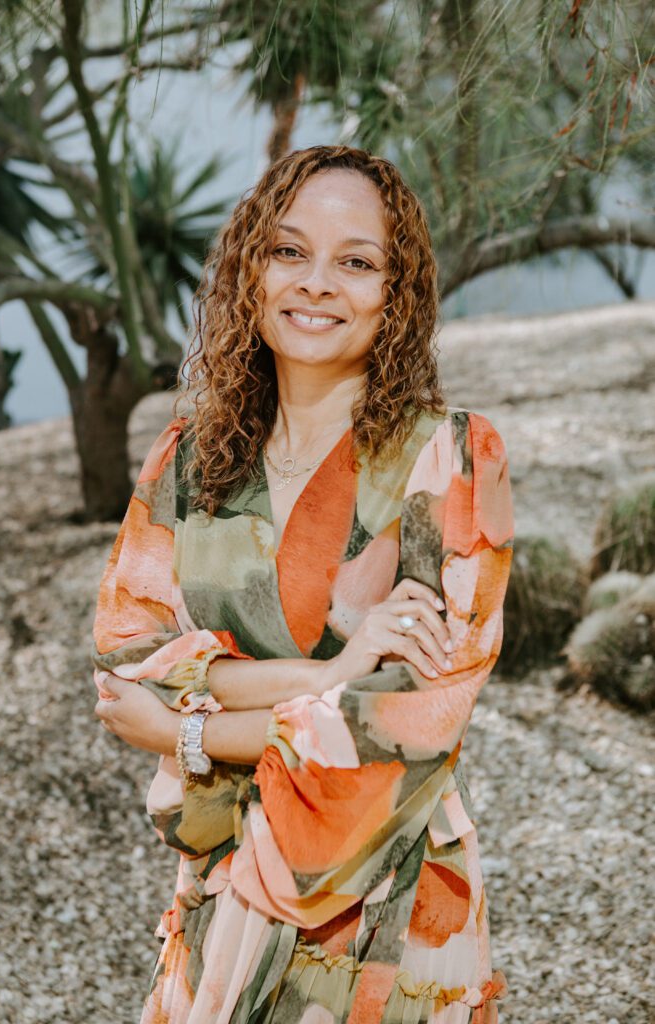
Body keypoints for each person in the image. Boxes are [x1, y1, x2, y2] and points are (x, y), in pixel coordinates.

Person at [92, 144, 515, 1024]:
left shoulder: (449, 461)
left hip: (382, 898)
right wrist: (326, 676)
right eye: (289, 251)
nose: (316, 283)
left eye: (355, 262)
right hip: (217, 885)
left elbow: (407, 719)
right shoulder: (187, 462)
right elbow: (126, 660)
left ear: (395, 296)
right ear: (251, 269)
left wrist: (188, 732)